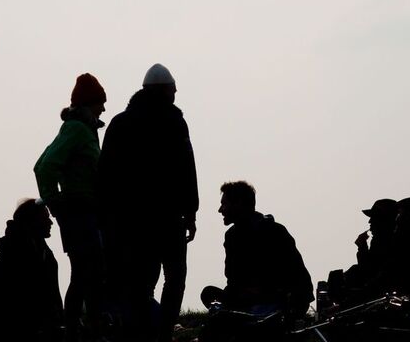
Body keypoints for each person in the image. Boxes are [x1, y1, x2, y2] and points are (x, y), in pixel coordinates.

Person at [97, 63, 198, 342]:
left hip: (130, 222)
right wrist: (191, 212)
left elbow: (104, 175)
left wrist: (106, 220)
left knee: (141, 283)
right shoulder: (174, 122)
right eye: (173, 89)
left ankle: (143, 331)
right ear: (165, 90)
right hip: (168, 218)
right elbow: (186, 168)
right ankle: (163, 331)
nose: (176, 93)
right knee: (175, 277)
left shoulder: (120, 123)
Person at [33, 73, 108, 341]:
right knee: (92, 273)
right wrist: (56, 203)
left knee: (83, 274)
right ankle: (90, 329)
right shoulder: (76, 129)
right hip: (79, 213)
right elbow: (44, 166)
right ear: (89, 104)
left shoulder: (82, 129)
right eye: (100, 103)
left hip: (85, 212)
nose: (104, 108)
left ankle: (75, 329)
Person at [200, 181, 313, 342]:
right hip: (250, 301)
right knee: (209, 293)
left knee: (218, 324)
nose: (220, 210)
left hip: (276, 303)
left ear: (238, 203)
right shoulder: (232, 236)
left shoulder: (273, 232)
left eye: (224, 204)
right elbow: (233, 278)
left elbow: (296, 278)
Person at [0, 199, 63, 342]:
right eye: (45, 218)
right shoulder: (19, 253)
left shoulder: (39, 250)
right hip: (2, 326)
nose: (51, 223)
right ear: (32, 222)